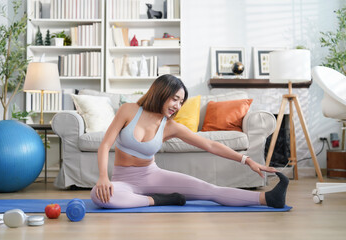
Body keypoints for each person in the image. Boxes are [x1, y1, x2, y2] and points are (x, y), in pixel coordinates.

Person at [90, 74, 289, 209]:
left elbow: (210, 145)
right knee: (98, 196)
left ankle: (267, 199)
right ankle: (156, 200)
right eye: (174, 99)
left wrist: (247, 160)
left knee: (209, 191)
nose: (177, 106)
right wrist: (103, 177)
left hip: (152, 176)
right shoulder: (129, 110)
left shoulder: (170, 126)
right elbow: (105, 145)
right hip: (123, 180)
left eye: (181, 102)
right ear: (161, 93)